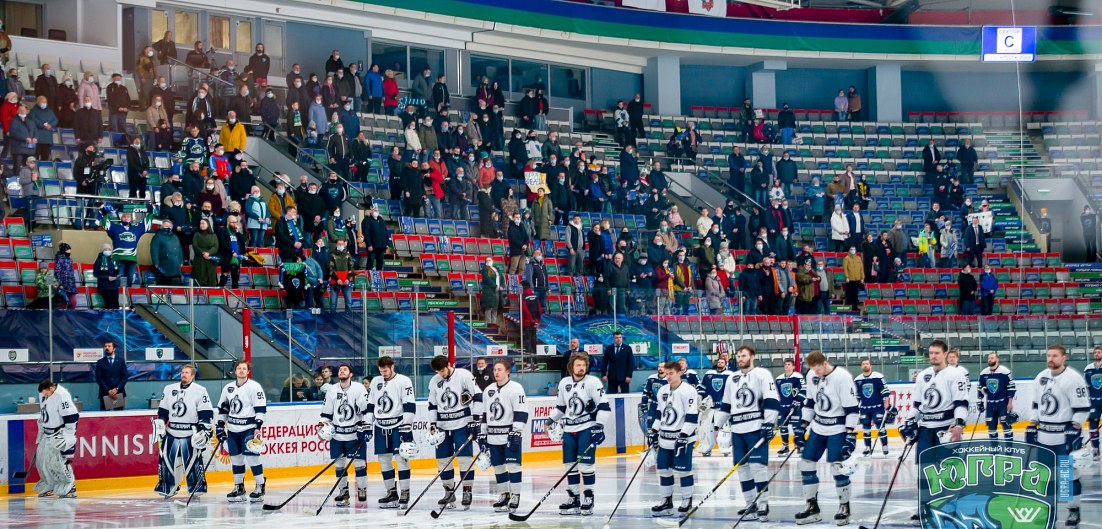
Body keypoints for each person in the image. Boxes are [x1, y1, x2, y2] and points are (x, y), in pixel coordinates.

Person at [896, 340, 968, 523]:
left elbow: (961, 403)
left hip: (946, 428)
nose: (933, 356)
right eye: (931, 353)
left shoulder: (955, 375)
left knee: (948, 469)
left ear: (945, 354)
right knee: (924, 470)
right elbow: (918, 405)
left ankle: (950, 508)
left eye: (937, 353)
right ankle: (924, 507)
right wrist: (909, 421)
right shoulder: (923, 376)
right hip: (926, 429)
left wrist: (959, 425)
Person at [710, 345, 779, 521]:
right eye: (739, 356)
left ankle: (763, 503)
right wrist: (717, 426)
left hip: (756, 428)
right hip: (737, 430)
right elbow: (726, 405)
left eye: (744, 356)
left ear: (752, 357)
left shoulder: (762, 374)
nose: (740, 359)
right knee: (742, 469)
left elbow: (772, 400)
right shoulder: (731, 378)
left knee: (758, 468)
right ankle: (750, 504)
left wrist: (768, 424)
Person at [792, 351, 858, 525]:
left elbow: (852, 408)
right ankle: (812, 507)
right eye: (813, 369)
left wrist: (850, 434)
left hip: (838, 428)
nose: (816, 373)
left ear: (825, 362)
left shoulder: (842, 377)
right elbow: (810, 403)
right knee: (806, 463)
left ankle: (845, 507)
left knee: (838, 467)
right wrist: (802, 427)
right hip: (818, 427)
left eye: (818, 369)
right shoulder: (811, 375)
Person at [1027, 344, 1088, 527]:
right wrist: (1032, 425)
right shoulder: (1041, 377)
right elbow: (1037, 405)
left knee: (1067, 475)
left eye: (1055, 356)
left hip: (1063, 436)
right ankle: (1047, 508)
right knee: (1045, 475)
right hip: (1044, 435)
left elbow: (1082, 408)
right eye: (1049, 355)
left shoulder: (1073, 379)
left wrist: (1074, 429)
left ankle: (1073, 510)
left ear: (1064, 358)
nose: (1050, 359)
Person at [547, 352, 611, 516]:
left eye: (583, 365)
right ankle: (574, 498)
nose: (581, 368)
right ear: (571, 367)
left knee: (586, 466)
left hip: (586, 429)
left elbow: (604, 406)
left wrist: (599, 426)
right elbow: (561, 408)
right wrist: (549, 421)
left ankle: (588, 497)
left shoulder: (593, 382)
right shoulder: (564, 383)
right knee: (570, 466)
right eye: (578, 365)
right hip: (569, 430)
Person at [426, 355, 480, 510]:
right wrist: (433, 424)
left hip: (462, 424)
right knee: (443, 460)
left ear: (449, 365)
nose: (441, 374)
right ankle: (449, 491)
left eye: (442, 370)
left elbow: (478, 396)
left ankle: (467, 490)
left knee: (464, 459)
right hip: (443, 426)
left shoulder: (464, 375)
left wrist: (475, 420)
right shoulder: (434, 381)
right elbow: (432, 404)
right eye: (438, 371)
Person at [153, 364, 213, 498]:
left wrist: (204, 429)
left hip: (190, 433)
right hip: (172, 431)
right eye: (182, 372)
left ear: (192, 376)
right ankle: (168, 486)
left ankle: (195, 487)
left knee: (193, 461)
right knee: (166, 460)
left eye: (187, 373)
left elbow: (206, 413)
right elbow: (163, 411)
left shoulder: (200, 391)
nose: (183, 375)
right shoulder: (169, 389)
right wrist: (161, 423)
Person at [647, 360, 698, 517]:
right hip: (665, 439)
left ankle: (687, 500)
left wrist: (684, 436)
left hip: (682, 439)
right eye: (666, 373)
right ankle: (666, 500)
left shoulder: (689, 391)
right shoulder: (662, 390)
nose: (668, 376)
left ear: (679, 373)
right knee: (663, 470)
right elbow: (659, 413)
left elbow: (692, 415)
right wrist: (653, 431)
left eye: (671, 373)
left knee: (683, 471)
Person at [476, 358, 528, 513]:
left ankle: (515, 495)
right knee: (498, 467)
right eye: (495, 370)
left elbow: (522, 411)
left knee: (513, 466)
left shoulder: (515, 388)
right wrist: (482, 433)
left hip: (509, 435)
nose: (496, 372)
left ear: (507, 372)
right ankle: (504, 495)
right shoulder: (488, 390)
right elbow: (485, 414)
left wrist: (516, 431)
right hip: (493, 436)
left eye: (499, 370)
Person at [366, 356, 416, 509]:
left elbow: (409, 405)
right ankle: (391, 492)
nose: (383, 373)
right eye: (381, 371)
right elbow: (371, 404)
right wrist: (368, 424)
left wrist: (407, 425)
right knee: (383, 460)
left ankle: (405, 492)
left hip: (398, 425)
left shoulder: (404, 381)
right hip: (380, 425)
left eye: (386, 370)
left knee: (401, 458)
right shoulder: (376, 381)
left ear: (392, 367)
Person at [317, 363, 370, 507]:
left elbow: (366, 410)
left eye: (345, 369)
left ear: (351, 374)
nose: (342, 371)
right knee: (339, 465)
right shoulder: (332, 390)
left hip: (354, 434)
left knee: (359, 464)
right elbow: (326, 413)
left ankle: (362, 488)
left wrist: (365, 428)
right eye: (340, 370)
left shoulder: (358, 388)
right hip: (337, 435)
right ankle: (343, 491)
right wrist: (321, 427)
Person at [216, 360, 268, 502]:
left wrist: (258, 427)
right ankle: (239, 487)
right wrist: (220, 426)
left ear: (248, 371)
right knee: (236, 459)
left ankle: (260, 485)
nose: (241, 371)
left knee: (252, 458)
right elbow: (223, 408)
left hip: (249, 428)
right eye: (239, 368)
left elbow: (260, 409)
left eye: (244, 368)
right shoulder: (228, 388)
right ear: (235, 371)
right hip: (232, 429)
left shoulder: (255, 387)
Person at [34, 379, 79, 498]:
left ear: (51, 388)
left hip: (58, 434)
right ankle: (49, 485)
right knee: (42, 462)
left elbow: (72, 416)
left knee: (58, 462)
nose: (44, 396)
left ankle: (70, 487)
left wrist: (68, 435)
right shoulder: (43, 394)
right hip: (47, 434)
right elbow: (45, 413)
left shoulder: (62, 395)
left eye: (46, 393)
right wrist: (42, 429)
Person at [853, 358, 891, 457]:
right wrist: (856, 408)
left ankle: (885, 445)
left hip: (877, 407)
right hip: (864, 408)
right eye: (863, 364)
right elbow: (857, 395)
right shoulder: (857, 380)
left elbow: (884, 391)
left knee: (880, 426)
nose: (865, 365)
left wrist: (886, 403)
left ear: (870, 365)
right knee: (865, 427)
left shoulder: (878, 377)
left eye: (867, 364)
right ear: (861, 366)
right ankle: (867, 447)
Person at [976, 352, 1015, 441]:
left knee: (1006, 426)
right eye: (989, 358)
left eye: (992, 358)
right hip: (990, 405)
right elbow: (980, 388)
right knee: (991, 428)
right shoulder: (983, 373)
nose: (990, 360)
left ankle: (1009, 450)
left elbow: (1011, 387)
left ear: (997, 359)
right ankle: (994, 451)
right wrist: (980, 402)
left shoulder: (1004, 372)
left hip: (1003, 404)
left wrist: (1010, 403)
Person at [775, 359, 805, 456]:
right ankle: (785, 446)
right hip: (782, 408)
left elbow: (804, 389)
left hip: (794, 407)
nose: (787, 366)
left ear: (793, 367)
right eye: (785, 364)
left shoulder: (798, 377)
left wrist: (798, 401)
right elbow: (775, 393)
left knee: (796, 427)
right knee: (782, 427)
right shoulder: (779, 379)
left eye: (789, 364)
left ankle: (800, 445)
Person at [150, 219, 185, 285]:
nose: (168, 227)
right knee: (164, 285)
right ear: (162, 226)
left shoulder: (175, 236)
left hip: (176, 265)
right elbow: (154, 250)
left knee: (176, 288)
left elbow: (179, 249)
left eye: (170, 226)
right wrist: (156, 263)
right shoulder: (157, 236)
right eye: (166, 225)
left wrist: (181, 261)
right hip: (164, 265)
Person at [1086, 346, 1102, 460]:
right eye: (1095, 352)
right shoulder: (1088, 369)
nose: (1096, 354)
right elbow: (1085, 386)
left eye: (1099, 352)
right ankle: (1095, 449)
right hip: (1093, 403)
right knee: (1093, 426)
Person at [480, 257, 501, 325]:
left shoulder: (496, 269)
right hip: (489, 291)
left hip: (497, 291)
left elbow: (502, 278)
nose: (488, 261)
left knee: (495, 307)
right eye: (487, 260)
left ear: (493, 261)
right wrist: (495, 285)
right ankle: (488, 323)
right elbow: (486, 279)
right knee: (489, 307)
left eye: (490, 260)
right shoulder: (484, 269)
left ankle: (494, 323)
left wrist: (502, 286)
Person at [842, 247, 863, 311]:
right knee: (849, 294)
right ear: (849, 250)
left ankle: (854, 307)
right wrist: (847, 277)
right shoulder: (846, 258)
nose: (853, 250)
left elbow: (861, 268)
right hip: (850, 279)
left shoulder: (858, 258)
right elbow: (845, 269)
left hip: (857, 279)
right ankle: (848, 306)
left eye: (854, 249)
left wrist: (862, 277)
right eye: (851, 249)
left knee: (855, 294)